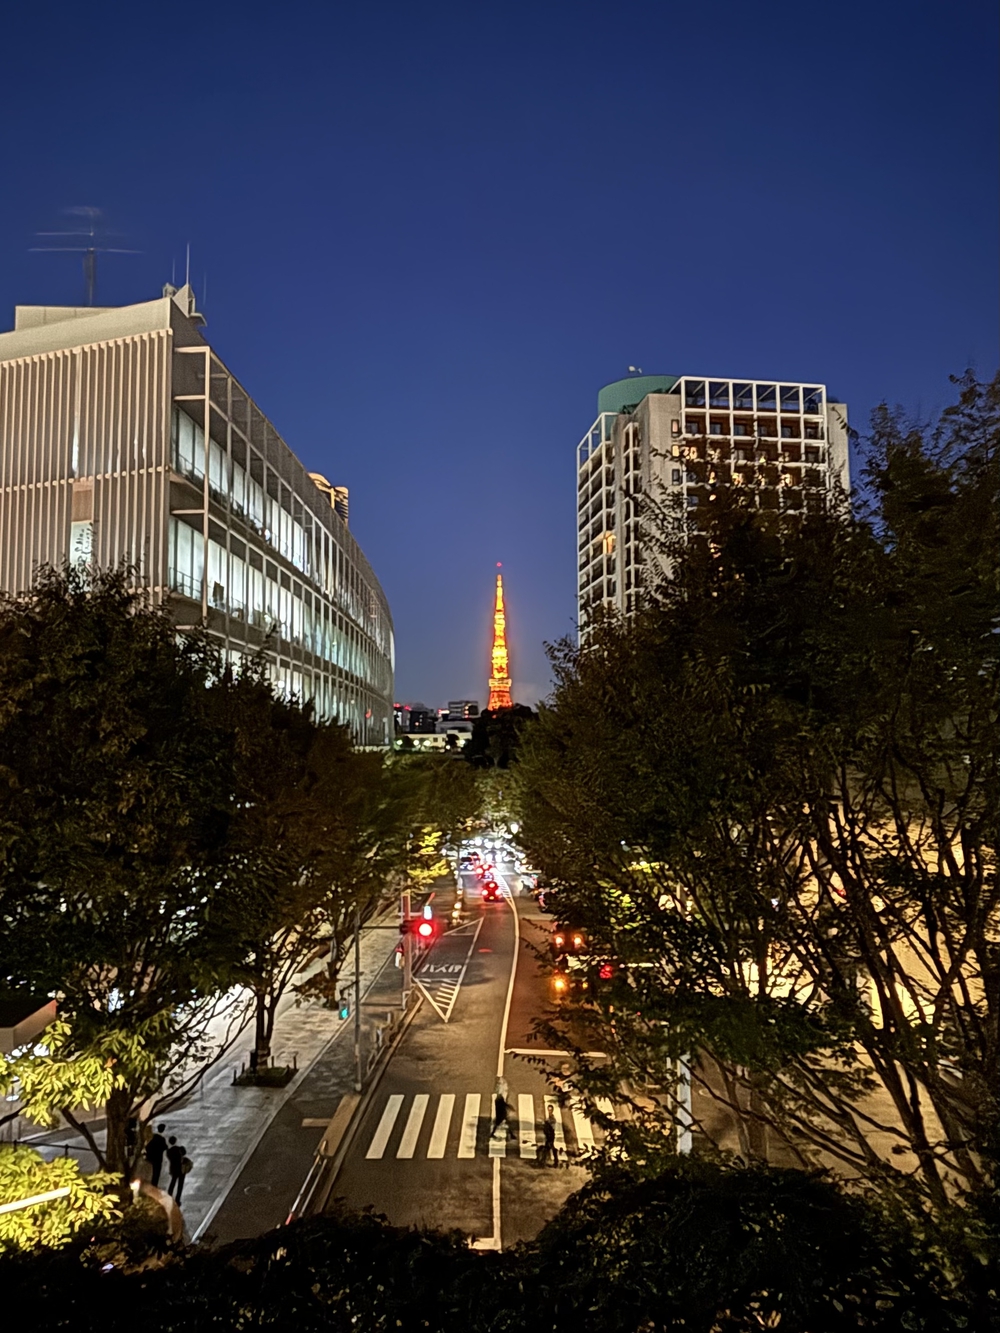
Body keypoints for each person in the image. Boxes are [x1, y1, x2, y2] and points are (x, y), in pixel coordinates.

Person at [166, 1136, 188, 1203]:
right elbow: (184, 1153)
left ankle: (169, 1195)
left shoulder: (169, 1151)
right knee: (180, 1184)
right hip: (180, 1168)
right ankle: (178, 1199)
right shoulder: (179, 1149)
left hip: (173, 1168)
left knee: (173, 1182)